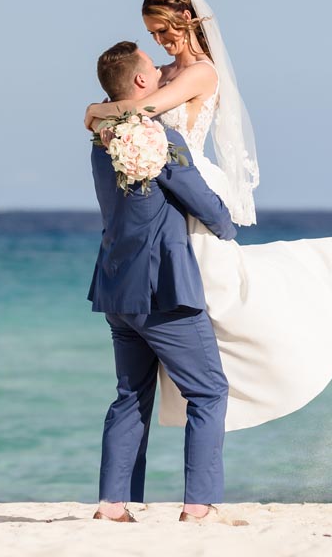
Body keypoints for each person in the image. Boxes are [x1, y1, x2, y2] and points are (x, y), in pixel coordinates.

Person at [85, 0, 332, 432]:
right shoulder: (159, 71)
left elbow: (140, 110)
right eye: (151, 33)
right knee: (192, 300)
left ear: (186, 17)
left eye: (162, 29)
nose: (160, 40)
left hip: (190, 185)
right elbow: (131, 103)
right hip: (164, 195)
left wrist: (94, 109)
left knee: (223, 299)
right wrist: (104, 109)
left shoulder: (201, 73)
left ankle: (315, 331)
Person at [88, 41, 240, 524]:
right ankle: (198, 506)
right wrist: (228, 229)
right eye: (153, 67)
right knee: (209, 391)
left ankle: (113, 505)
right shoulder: (157, 141)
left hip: (115, 285)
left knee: (131, 395)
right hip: (163, 285)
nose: (162, 71)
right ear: (138, 82)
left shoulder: (101, 143)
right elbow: (205, 203)